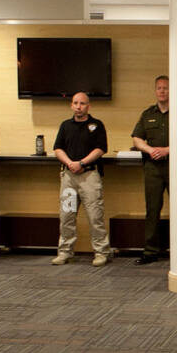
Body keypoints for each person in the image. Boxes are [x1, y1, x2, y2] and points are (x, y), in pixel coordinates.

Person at [52, 92, 112, 267]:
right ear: (71, 105)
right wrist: (70, 163)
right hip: (69, 178)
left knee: (95, 216)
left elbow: (101, 149)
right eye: (76, 103)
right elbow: (57, 149)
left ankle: (101, 252)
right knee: (67, 216)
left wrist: (82, 163)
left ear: (88, 106)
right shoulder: (65, 126)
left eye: (82, 103)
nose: (79, 106)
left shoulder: (96, 125)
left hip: (89, 177)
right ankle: (64, 252)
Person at [131, 75, 170, 264]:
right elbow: (137, 139)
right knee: (152, 209)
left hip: (176, 166)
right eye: (159, 88)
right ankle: (150, 251)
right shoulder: (148, 114)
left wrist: (167, 150)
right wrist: (151, 150)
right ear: (155, 91)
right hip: (152, 167)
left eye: (166, 88)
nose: (162, 91)